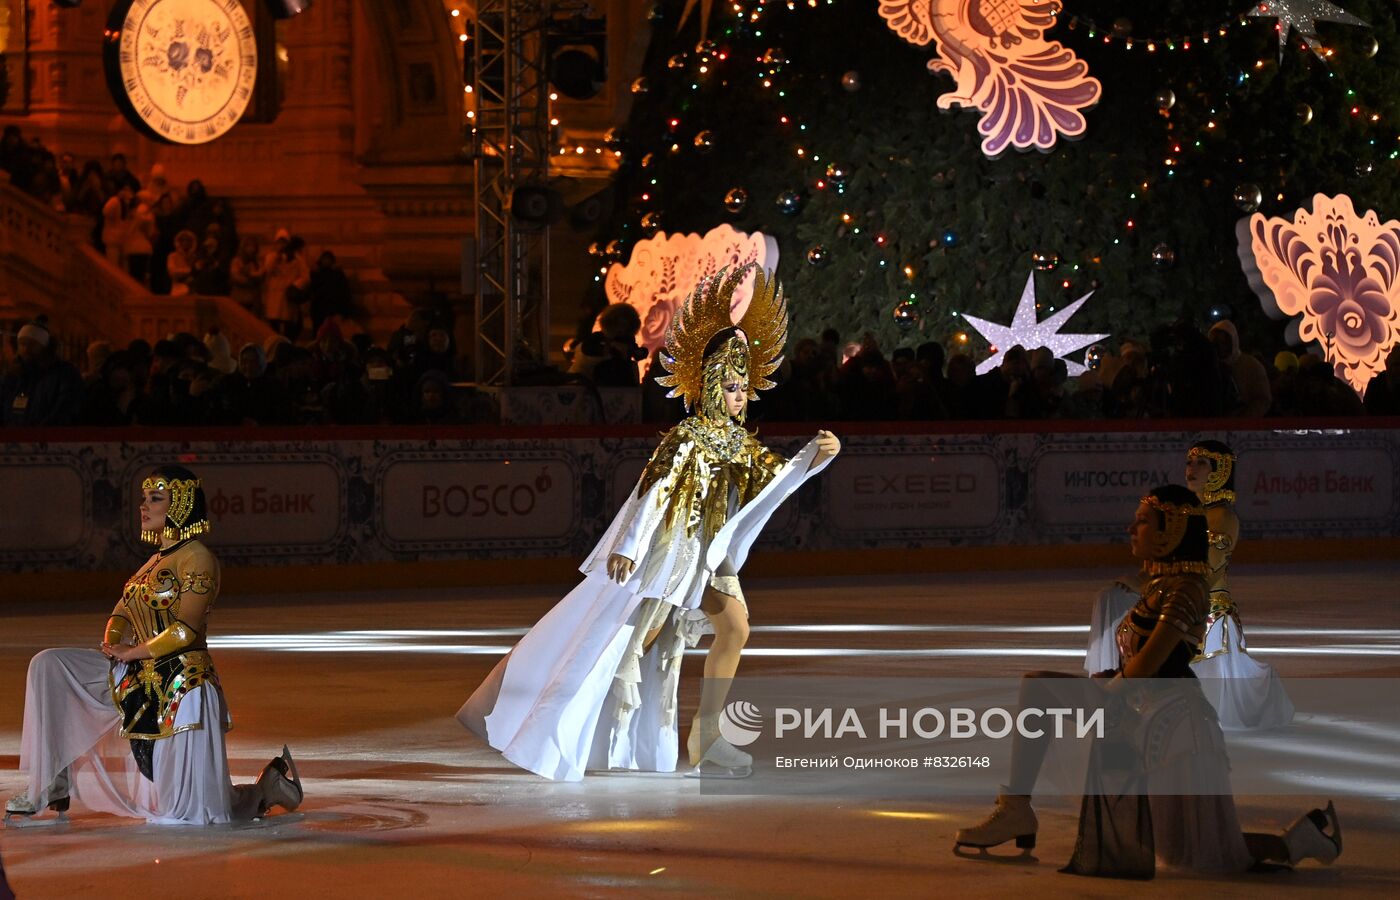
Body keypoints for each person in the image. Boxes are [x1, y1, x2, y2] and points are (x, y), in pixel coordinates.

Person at [459, 265, 841, 779]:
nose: (739, 397)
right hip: (674, 554)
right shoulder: (685, 438)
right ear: (709, 385)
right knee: (627, 644)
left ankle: (707, 735)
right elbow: (653, 490)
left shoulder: (738, 442)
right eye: (730, 387)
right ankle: (559, 726)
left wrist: (813, 457)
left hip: (711, 554)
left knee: (734, 629)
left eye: (742, 388)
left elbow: (770, 479)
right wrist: (631, 545)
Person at [955, 485, 1341, 876]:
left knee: (1196, 851)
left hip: (1167, 720)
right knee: (1194, 846)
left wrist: (1102, 693)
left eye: (1142, 522)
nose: (1130, 529)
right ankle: (1017, 808)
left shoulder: (1187, 588)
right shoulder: (1160, 585)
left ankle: (1298, 840)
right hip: (1143, 708)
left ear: (1171, 530)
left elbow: (1147, 665)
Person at [6, 467, 303, 825]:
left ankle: (263, 790)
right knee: (48, 665)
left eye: (155, 499)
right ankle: (51, 781)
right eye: (144, 499)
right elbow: (122, 613)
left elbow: (186, 631)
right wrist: (113, 641)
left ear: (181, 505)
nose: (143, 506)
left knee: (187, 814)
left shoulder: (198, 559)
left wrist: (130, 652)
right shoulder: (153, 562)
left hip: (182, 683)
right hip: (138, 672)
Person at [1184, 442, 1294, 729]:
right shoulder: (1190, 513)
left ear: (1220, 471)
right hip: (1187, 604)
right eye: (1189, 462)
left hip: (1210, 612)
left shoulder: (1222, 517)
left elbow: (1207, 566)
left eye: (1201, 464)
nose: (1191, 469)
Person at [1, 322, 83, 426]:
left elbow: (65, 408)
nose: (26, 349)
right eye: (22, 344)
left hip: (46, 438)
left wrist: (40, 433)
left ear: (44, 346)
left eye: (32, 344)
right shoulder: (13, 375)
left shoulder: (63, 373)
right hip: (13, 439)